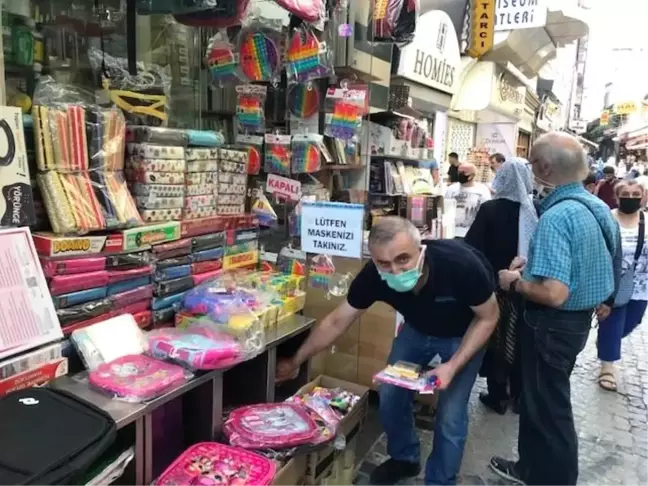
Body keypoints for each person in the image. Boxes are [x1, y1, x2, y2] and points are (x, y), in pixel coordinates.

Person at [276, 217, 499, 486]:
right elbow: (337, 320)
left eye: (403, 259)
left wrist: (452, 366)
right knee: (390, 392)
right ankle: (404, 458)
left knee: (451, 414)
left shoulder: (461, 265)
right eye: (384, 263)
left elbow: (489, 317)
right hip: (417, 329)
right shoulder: (372, 276)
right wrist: (296, 360)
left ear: (421, 251)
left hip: (464, 333)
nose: (394, 270)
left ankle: (441, 480)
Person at [490, 132, 619, 486]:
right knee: (539, 402)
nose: (531, 171)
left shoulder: (557, 217)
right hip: (574, 324)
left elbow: (554, 292)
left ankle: (556, 478)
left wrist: (514, 281)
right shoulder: (596, 208)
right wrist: (530, 264)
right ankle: (531, 469)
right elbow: (586, 263)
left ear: (545, 167)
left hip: (552, 325)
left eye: (532, 164)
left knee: (549, 408)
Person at [465, 159, 538, 415]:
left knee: (496, 340)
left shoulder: (490, 209)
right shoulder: (534, 210)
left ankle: (498, 395)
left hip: (494, 286)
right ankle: (519, 395)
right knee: (519, 340)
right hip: (526, 287)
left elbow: (472, 247)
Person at [597, 180, 647, 392]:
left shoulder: (646, 220)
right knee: (613, 323)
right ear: (617, 197)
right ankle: (608, 368)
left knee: (631, 322)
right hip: (612, 284)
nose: (631, 197)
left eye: (636, 194)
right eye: (625, 194)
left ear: (643, 197)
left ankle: (606, 342)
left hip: (641, 285)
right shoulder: (608, 218)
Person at [445, 163, 492, 238]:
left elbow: (487, 213)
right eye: (459, 172)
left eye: (463, 173)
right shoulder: (451, 189)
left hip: (473, 234)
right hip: (452, 233)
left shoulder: (482, 190)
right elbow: (446, 210)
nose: (460, 174)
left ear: (472, 175)